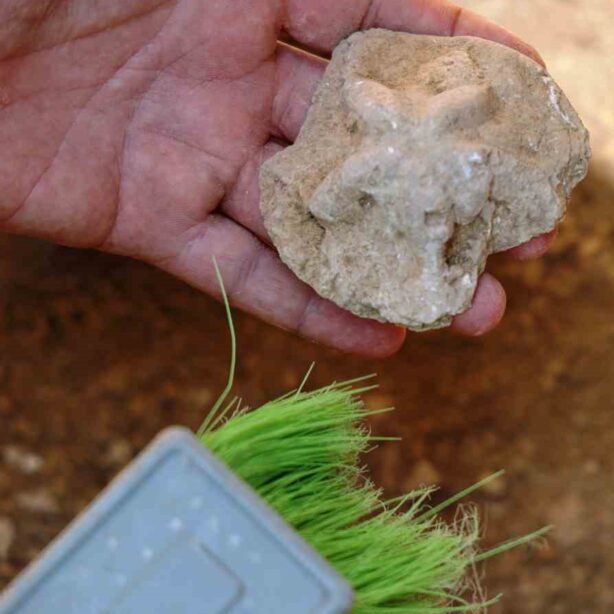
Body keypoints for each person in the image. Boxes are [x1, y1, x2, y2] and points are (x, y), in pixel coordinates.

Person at [0, 0, 554, 357]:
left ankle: (430, 257)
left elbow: (352, 175)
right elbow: (342, 185)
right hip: (405, 175)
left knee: (401, 217)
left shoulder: (404, 140)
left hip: (426, 179)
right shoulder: (376, 150)